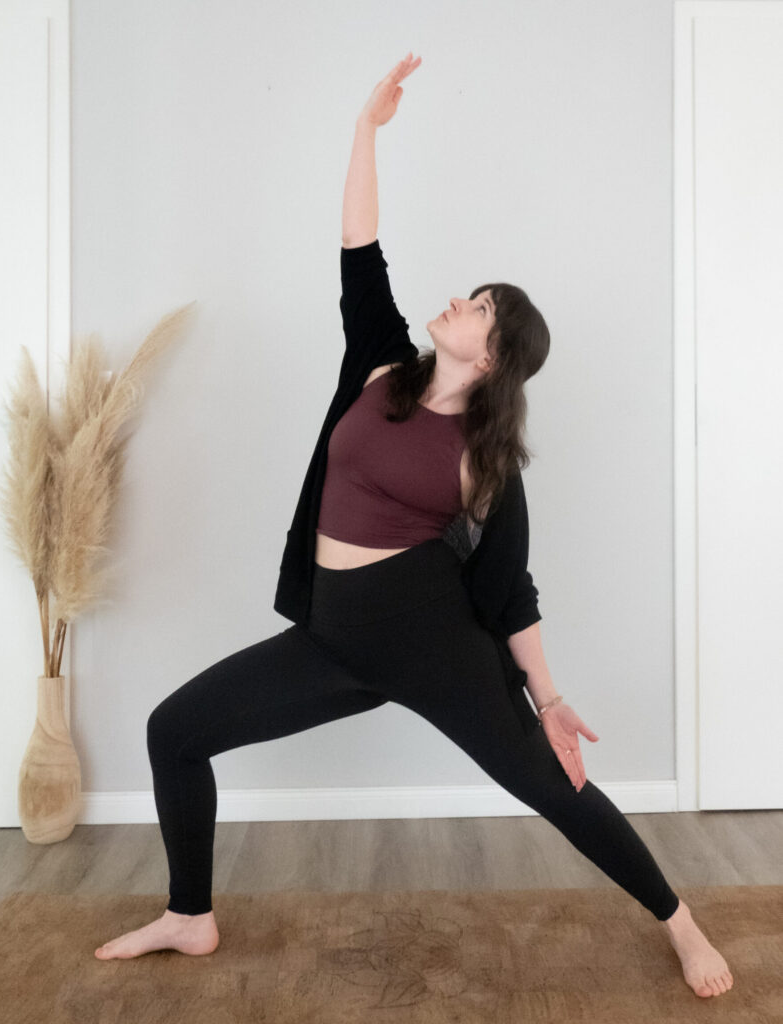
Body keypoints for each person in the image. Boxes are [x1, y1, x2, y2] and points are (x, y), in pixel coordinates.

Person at [94, 52, 734, 1000]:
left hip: (433, 645)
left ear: (496, 357)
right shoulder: (382, 365)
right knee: (174, 731)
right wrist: (365, 128)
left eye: (480, 308)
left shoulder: (486, 459)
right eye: (471, 293)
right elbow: (360, 245)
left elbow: (510, 589)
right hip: (334, 638)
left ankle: (681, 924)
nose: (459, 302)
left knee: (553, 787)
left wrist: (549, 699)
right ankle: (191, 915)